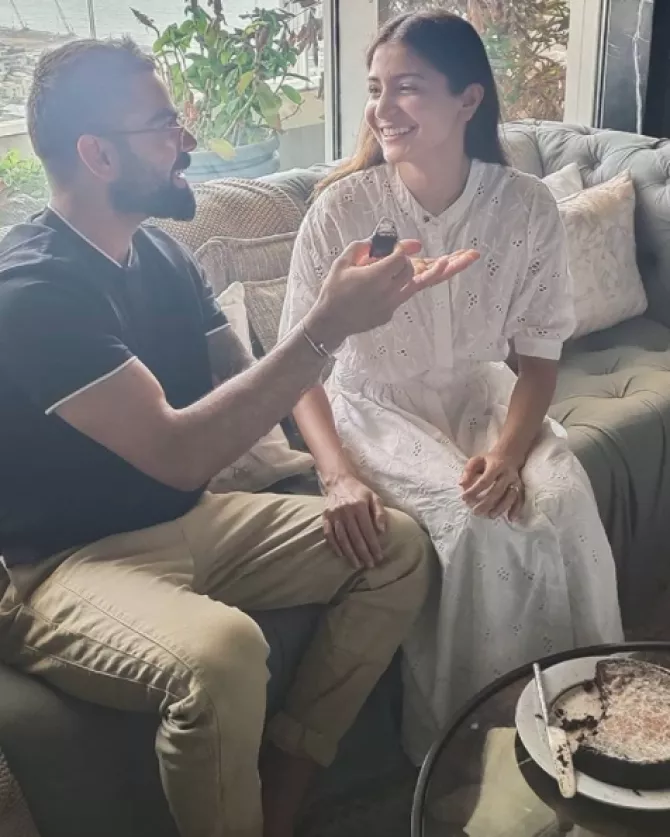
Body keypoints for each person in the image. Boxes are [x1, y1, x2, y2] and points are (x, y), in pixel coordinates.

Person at [0, 38, 479, 837]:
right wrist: (326, 325)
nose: (186, 138)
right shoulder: (32, 291)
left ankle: (283, 789)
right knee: (221, 655)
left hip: (193, 519)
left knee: (396, 548)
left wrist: (337, 473)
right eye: (163, 125)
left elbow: (252, 380)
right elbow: (179, 451)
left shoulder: (161, 253)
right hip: (60, 566)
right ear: (97, 155)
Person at [279, 10, 624, 764]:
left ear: (469, 99)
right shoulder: (341, 210)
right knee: (474, 527)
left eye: (406, 87)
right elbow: (297, 370)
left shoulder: (525, 205)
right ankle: (474, 749)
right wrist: (335, 474)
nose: (382, 107)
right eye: (375, 88)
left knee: (563, 500)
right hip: (373, 408)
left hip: (484, 399)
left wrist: (508, 452)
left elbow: (538, 357)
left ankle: (587, 717)